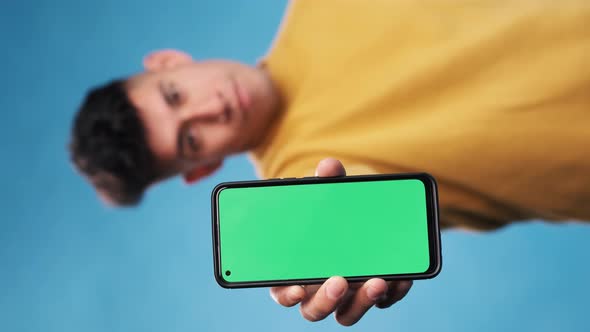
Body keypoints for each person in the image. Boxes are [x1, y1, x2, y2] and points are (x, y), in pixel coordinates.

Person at [68, 0, 590, 326]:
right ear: (200, 170)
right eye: (191, 140)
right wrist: (359, 267)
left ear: (168, 62)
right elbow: (357, 196)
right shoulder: (304, 189)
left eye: (176, 95)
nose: (212, 107)